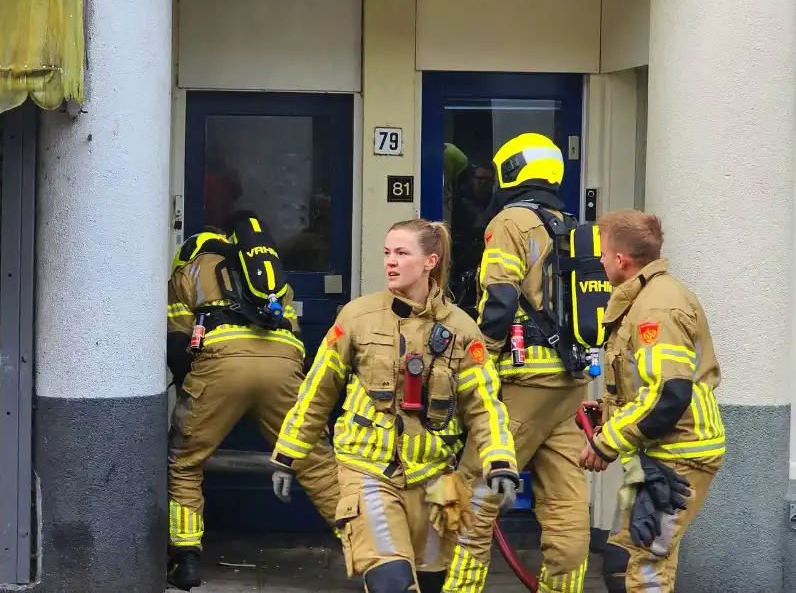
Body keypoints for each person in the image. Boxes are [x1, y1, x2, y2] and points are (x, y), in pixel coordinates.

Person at [268, 219, 519, 593]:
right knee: (391, 581)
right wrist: (287, 454)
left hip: (437, 481)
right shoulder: (357, 317)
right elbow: (317, 390)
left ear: (430, 261)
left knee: (433, 583)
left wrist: (500, 461)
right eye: (387, 253)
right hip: (368, 471)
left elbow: (484, 405)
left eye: (402, 253)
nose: (390, 262)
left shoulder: (463, 329)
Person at [165, 211, 342, 591]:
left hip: (220, 365)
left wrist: (197, 398)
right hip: (283, 363)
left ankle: (186, 559)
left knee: (184, 461)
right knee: (317, 463)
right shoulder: (268, 277)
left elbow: (178, 346)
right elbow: (293, 334)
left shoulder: (188, 273)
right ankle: (372, 555)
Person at [444, 133, 591, 592]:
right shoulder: (573, 226)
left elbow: (500, 299)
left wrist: (478, 359)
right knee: (567, 507)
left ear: (511, 172)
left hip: (521, 381)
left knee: (473, 495)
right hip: (570, 386)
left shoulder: (511, 222)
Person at [578, 209, 725, 593]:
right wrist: (609, 412)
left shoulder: (656, 309)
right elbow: (650, 385)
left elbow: (668, 394)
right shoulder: (644, 297)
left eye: (604, 254)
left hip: (679, 455)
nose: (600, 260)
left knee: (645, 565)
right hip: (657, 451)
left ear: (621, 260)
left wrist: (605, 441)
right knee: (620, 558)